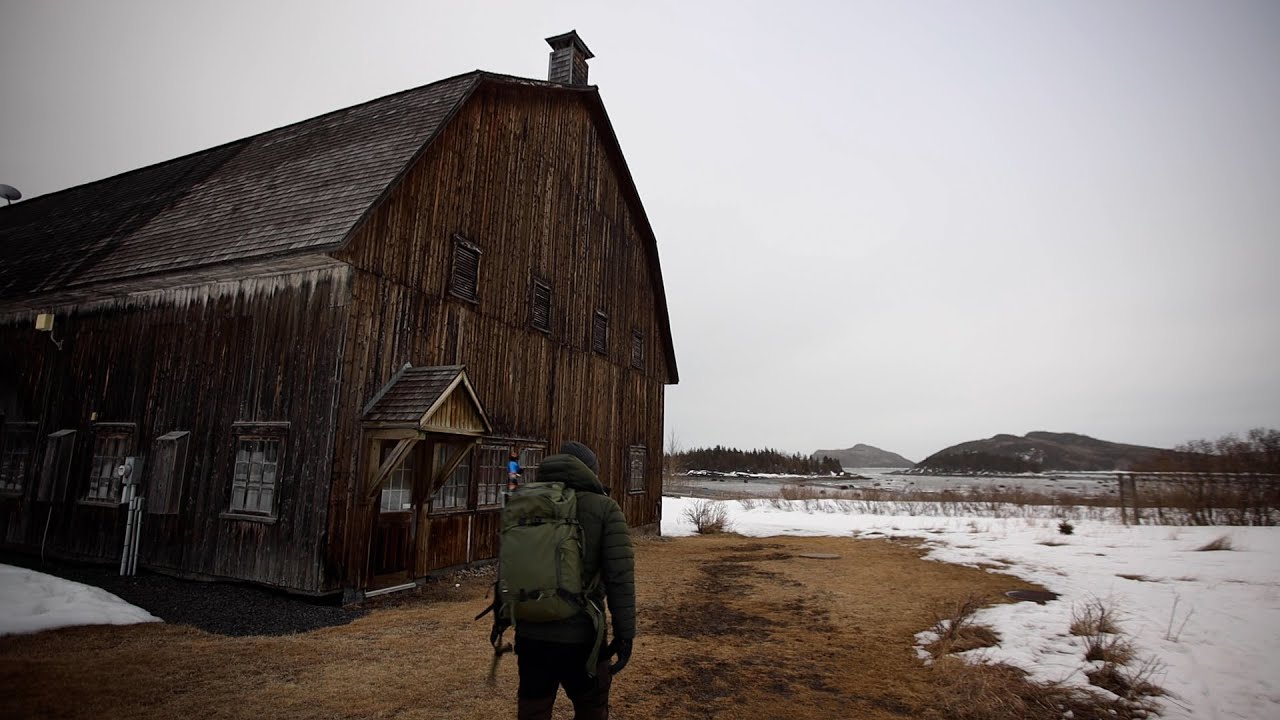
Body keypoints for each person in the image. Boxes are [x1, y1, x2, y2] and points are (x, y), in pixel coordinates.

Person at [496, 441, 635, 720]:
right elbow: (619, 578)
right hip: (582, 637)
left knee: (533, 709)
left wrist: (502, 619)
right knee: (591, 708)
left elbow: (510, 565)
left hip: (531, 635)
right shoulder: (605, 508)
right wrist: (625, 634)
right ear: (591, 471)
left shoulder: (525, 501)